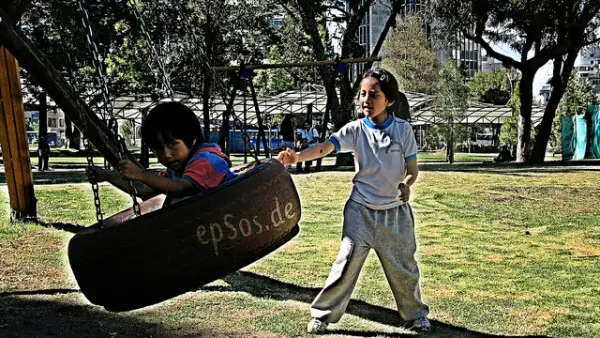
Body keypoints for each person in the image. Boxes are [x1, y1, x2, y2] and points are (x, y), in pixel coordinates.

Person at [277, 68, 430, 334]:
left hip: (395, 214)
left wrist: (406, 184)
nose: (366, 100)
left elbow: (412, 169)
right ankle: (321, 315)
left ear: (389, 100)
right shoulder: (356, 130)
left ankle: (416, 315)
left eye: (374, 94)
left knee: (404, 268)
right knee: (346, 263)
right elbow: (325, 147)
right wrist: (297, 157)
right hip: (360, 210)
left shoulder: (403, 130)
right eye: (362, 94)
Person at [86, 102, 237, 207]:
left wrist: (142, 174)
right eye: (158, 149)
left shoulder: (206, 160)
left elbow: (181, 188)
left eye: (172, 144)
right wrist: (108, 175)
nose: (166, 155)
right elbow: (144, 190)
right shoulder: (176, 169)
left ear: (193, 139)